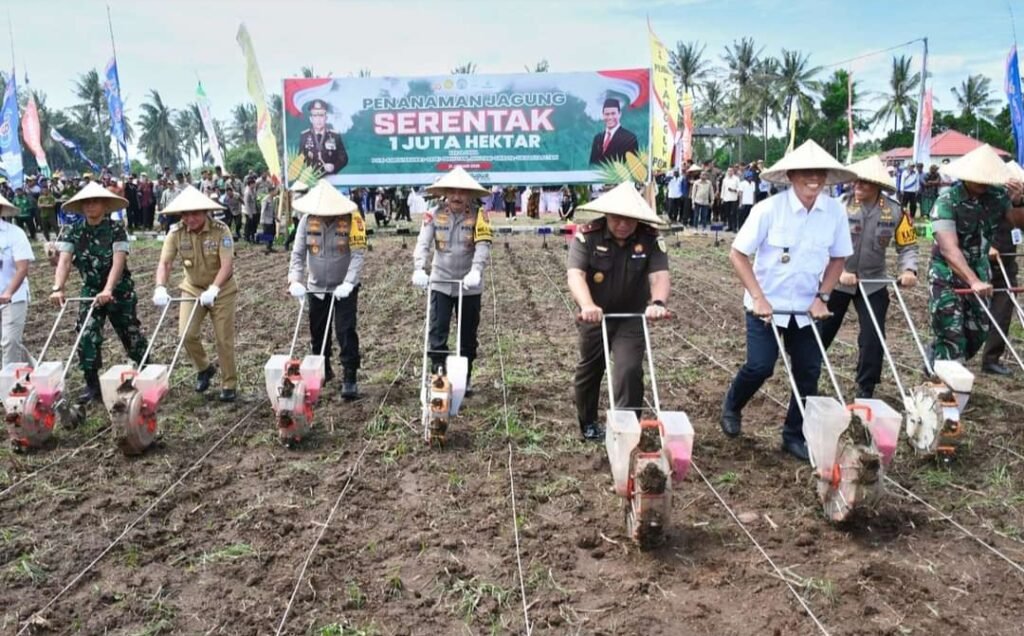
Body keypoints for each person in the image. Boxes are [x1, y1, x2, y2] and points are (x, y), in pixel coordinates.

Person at [720, 140, 855, 461]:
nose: (814, 179)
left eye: (819, 174)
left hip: (808, 308)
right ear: (791, 176)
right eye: (807, 173)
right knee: (760, 366)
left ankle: (794, 434)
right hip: (766, 305)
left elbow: (838, 259)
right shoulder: (768, 210)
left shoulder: (834, 212)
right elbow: (738, 254)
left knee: (809, 371)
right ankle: (732, 405)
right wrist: (758, 296)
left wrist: (823, 296)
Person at [567, 183, 670, 441]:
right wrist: (587, 305)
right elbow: (576, 275)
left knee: (629, 369)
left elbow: (659, 275)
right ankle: (588, 422)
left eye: (629, 219)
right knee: (591, 369)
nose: (623, 224)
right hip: (595, 315)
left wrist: (657, 303)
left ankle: (627, 430)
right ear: (607, 215)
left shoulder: (650, 238)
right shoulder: (588, 236)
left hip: (631, 317)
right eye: (617, 218)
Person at [818, 155, 918, 398]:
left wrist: (908, 269)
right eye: (855, 182)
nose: (857, 187)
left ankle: (866, 387)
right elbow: (818, 244)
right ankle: (805, 374)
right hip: (837, 280)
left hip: (873, 282)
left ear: (877, 186)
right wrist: (840, 272)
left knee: (873, 337)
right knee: (822, 330)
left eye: (864, 183)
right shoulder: (838, 206)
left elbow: (908, 246)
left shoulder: (894, 212)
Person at [50, 183, 149, 404]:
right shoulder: (72, 231)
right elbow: (64, 261)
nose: (90, 206)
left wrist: (109, 289)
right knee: (86, 334)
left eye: (95, 201)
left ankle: (147, 371)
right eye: (86, 202)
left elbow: (118, 262)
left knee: (130, 334)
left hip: (119, 290)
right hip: (91, 290)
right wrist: (58, 287)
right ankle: (92, 384)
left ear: (105, 205)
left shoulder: (116, 229)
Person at [929, 145, 1024, 363]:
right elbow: (948, 248)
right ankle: (948, 380)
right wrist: (972, 281)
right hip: (947, 275)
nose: (983, 182)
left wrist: (1018, 201)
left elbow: (1018, 223)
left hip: (980, 270)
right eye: (978, 177)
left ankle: (938, 355)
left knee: (978, 331)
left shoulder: (997, 197)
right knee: (951, 332)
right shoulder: (946, 202)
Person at [153, 186, 238, 402]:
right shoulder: (175, 233)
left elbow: (227, 265)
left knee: (223, 339)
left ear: (205, 212)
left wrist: (215, 288)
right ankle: (204, 367)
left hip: (222, 290)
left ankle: (229, 383)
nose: (190, 218)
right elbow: (165, 262)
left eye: (195, 213)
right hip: (192, 287)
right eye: (186, 214)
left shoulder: (221, 230)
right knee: (186, 334)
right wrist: (160, 286)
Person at [412, 167, 493, 389]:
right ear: (445, 193)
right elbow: (423, 243)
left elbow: (483, 245)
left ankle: (465, 377)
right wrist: (419, 267)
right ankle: (438, 374)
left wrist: (476, 270)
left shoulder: (479, 216)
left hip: (469, 284)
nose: (457, 197)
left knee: (467, 334)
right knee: (437, 331)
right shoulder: (434, 214)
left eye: (462, 192)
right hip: (440, 281)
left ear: (469, 195)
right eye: (452, 192)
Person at [288, 180, 367, 398]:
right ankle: (323, 368)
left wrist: (349, 282)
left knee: (345, 331)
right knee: (318, 332)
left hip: (343, 289)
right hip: (316, 288)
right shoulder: (306, 221)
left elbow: (358, 254)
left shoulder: (352, 220)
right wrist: (295, 280)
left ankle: (350, 375)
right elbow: (297, 254)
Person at [0, 192, 35, 366]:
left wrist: (8, 292)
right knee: (10, 343)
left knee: (9, 342)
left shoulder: (14, 234)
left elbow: (22, 268)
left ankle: (9, 389)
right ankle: (36, 372)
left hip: (13, 296)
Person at [298, 99, 348, 175]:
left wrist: (334, 166)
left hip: (331, 180)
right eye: (315, 116)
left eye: (321, 115)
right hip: (311, 180)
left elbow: (344, 158)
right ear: (311, 119)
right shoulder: (304, 136)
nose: (318, 119)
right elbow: (300, 159)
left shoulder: (335, 136)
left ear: (326, 118)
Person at [588, 98, 639, 165]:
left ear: (619, 114)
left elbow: (633, 167)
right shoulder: (597, 138)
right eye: (607, 114)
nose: (610, 117)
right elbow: (592, 165)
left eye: (613, 113)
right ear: (603, 115)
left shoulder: (629, 138)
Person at [720, 167, 741, 231]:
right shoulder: (725, 179)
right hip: (726, 198)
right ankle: (730, 226)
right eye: (728, 171)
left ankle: (734, 227)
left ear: (733, 171)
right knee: (728, 213)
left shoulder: (736, 179)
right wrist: (722, 198)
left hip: (734, 198)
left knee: (733, 213)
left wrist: (734, 190)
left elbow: (739, 188)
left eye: (731, 171)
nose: (730, 172)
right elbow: (723, 189)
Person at [260, 183, 279, 252]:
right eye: (275, 191)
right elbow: (263, 211)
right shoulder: (266, 199)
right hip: (266, 220)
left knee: (273, 233)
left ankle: (270, 246)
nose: (276, 192)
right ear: (271, 191)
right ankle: (267, 247)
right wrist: (262, 220)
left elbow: (272, 211)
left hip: (271, 219)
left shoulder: (272, 199)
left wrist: (276, 217)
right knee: (267, 233)